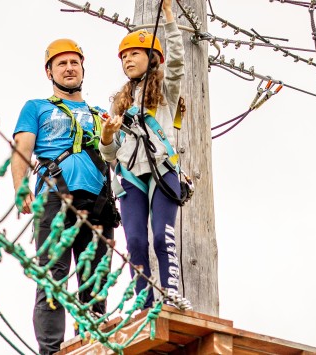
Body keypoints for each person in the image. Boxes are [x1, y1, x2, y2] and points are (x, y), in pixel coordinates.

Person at [10, 38, 119, 355]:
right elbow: (22, 150)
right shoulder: (37, 108)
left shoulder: (100, 115)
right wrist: (20, 188)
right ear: (50, 72)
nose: (69, 68)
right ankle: (51, 351)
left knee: (95, 277)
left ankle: (93, 340)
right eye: (62, 63)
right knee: (52, 279)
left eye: (74, 62)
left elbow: (115, 156)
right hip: (55, 198)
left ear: (83, 68)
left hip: (98, 201)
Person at [99, 0, 191, 309]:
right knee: (135, 241)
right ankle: (144, 301)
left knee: (160, 236)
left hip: (163, 172)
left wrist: (168, 17)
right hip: (129, 177)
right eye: (123, 56)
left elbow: (177, 61)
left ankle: (171, 294)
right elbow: (110, 156)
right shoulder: (119, 104)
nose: (127, 60)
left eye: (134, 53)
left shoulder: (166, 91)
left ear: (152, 57)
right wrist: (108, 136)